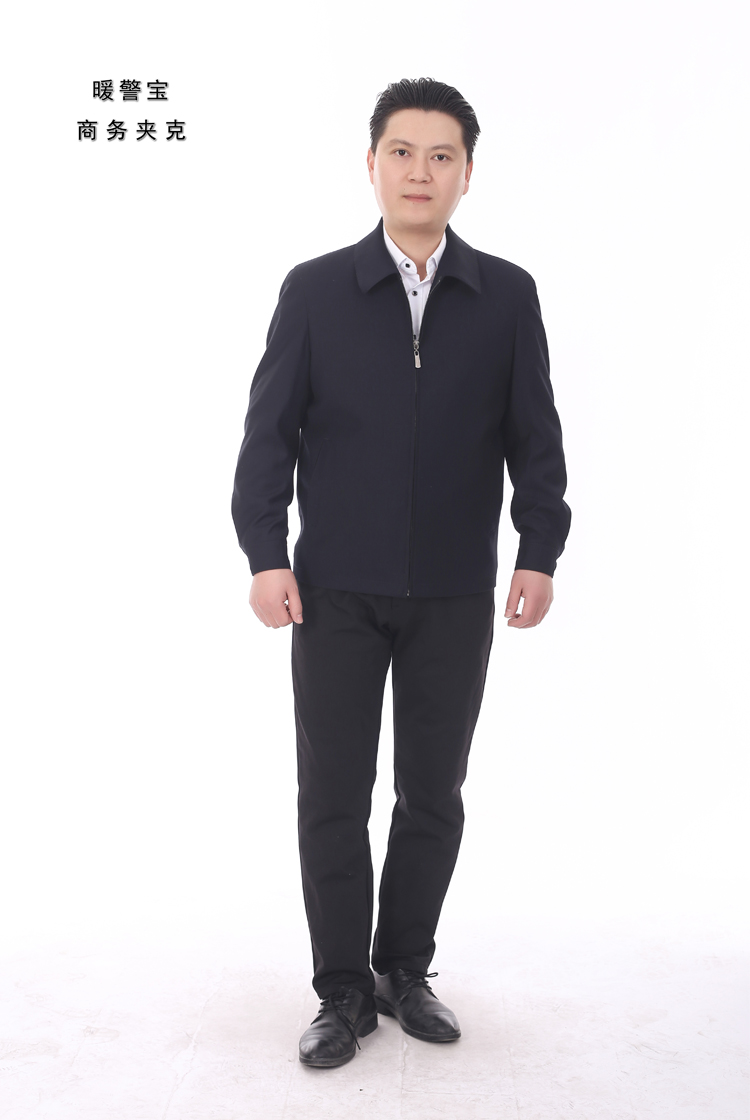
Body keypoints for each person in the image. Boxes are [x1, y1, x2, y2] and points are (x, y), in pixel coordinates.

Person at [231, 77, 571, 1068]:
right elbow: (269, 434)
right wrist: (265, 552)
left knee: (433, 792)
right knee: (333, 794)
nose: (421, 172)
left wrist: (539, 548)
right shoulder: (315, 291)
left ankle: (404, 970)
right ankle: (342, 989)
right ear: (372, 164)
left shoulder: (506, 295)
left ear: (467, 174)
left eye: (442, 156)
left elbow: (535, 436)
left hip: (456, 592)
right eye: (402, 152)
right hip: (332, 589)